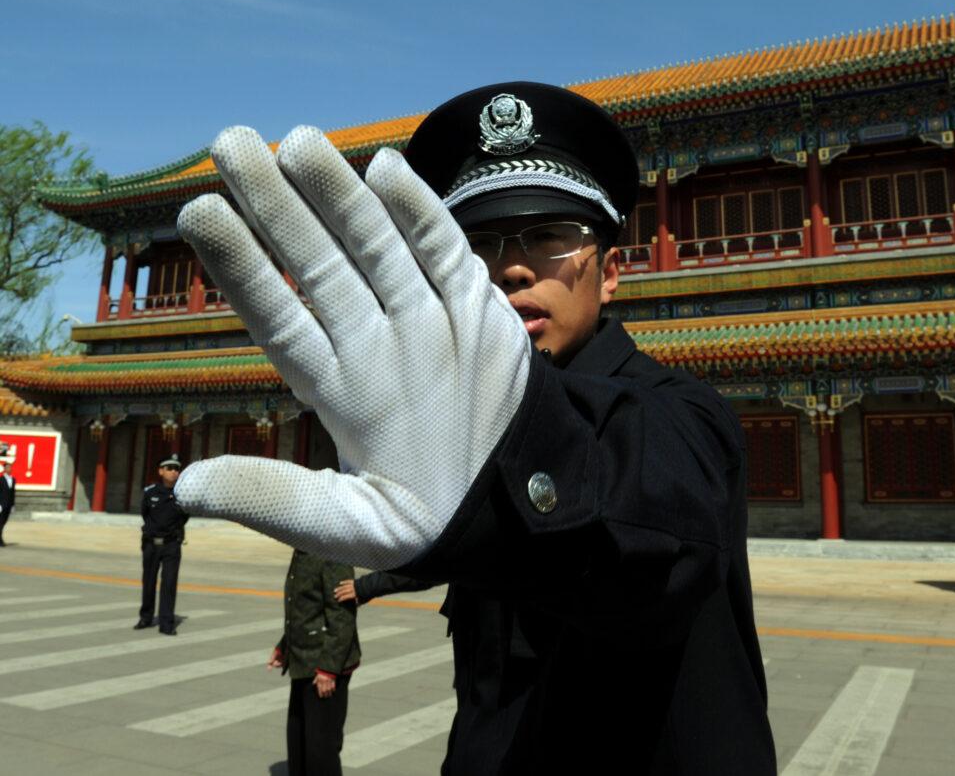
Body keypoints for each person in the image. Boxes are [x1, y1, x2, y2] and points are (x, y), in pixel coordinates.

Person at [175, 82, 776, 774]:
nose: (512, 266)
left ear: (610, 272)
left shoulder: (684, 411)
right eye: (475, 244)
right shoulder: (448, 419)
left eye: (550, 236)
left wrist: (521, 443)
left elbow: (654, 508)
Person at [270, 549, 360, 776]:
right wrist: (285, 645)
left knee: (320, 752)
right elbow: (303, 607)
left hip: (324, 664)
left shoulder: (331, 551)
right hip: (302, 659)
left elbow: (342, 614)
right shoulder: (303, 549)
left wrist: (329, 669)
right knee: (298, 743)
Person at [136, 454, 188, 634]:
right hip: (151, 543)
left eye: (176, 469)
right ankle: (146, 617)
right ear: (161, 471)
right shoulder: (150, 492)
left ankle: (166, 623)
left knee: (169, 583)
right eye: (170, 468)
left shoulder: (182, 494)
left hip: (171, 544)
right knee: (148, 581)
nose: (174, 472)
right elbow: (145, 513)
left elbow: (184, 517)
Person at [0, 459, 15, 547]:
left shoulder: (13, 479)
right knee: (0, 522)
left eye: (10, 467)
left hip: (8, 505)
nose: (9, 469)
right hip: (1, 505)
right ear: (4, 469)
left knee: (4, 522)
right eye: (7, 467)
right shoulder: (1, 479)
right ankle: (0, 540)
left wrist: (13, 505)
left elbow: (13, 493)